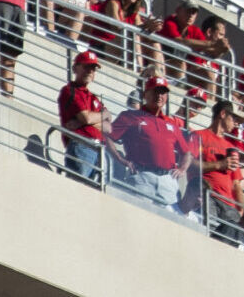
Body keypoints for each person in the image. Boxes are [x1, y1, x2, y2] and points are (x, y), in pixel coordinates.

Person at [109, 77, 193, 208]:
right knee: (137, 216)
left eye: (163, 92)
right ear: (145, 94)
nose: (159, 96)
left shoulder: (171, 123)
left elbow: (187, 152)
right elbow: (107, 136)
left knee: (169, 222)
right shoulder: (130, 116)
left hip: (167, 179)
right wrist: (120, 158)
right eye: (155, 91)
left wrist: (182, 169)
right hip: (142, 176)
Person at [58, 49, 106, 181]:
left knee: (97, 195)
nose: (90, 71)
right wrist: (90, 119)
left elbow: (108, 124)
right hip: (81, 145)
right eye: (86, 66)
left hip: (99, 148)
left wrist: (82, 122)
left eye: (93, 68)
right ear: (75, 68)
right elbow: (87, 117)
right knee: (79, 188)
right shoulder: (70, 91)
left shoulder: (93, 97)